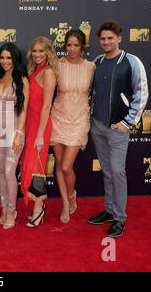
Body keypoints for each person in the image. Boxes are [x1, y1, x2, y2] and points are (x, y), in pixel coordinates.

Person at [87, 20, 148, 238]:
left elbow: (141, 94)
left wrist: (127, 122)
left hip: (117, 128)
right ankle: (110, 210)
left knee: (117, 171)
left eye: (110, 38)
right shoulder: (97, 61)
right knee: (107, 171)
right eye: (102, 38)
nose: (106, 41)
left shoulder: (131, 62)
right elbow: (90, 93)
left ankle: (120, 218)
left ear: (119, 39)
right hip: (98, 126)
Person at [50, 29, 95, 223]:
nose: (72, 49)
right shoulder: (57, 66)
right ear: (64, 46)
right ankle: (66, 205)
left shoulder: (91, 67)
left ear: (83, 47)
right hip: (58, 118)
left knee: (67, 166)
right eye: (69, 45)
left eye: (76, 45)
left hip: (79, 120)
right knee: (59, 165)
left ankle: (71, 194)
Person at [0, 43, 29, 229]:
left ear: (15, 59)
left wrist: (19, 133)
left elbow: (23, 109)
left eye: (9, 58)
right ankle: (4, 206)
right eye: (2, 57)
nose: (5, 61)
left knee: (8, 171)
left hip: (14, 130)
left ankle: (12, 210)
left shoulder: (22, 80)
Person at [20, 37, 58, 228]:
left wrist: (40, 135)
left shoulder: (49, 72)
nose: (37, 54)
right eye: (34, 51)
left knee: (38, 167)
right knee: (31, 163)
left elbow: (47, 106)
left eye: (41, 51)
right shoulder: (34, 70)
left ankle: (38, 209)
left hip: (40, 125)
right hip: (30, 123)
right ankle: (37, 207)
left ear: (48, 52)